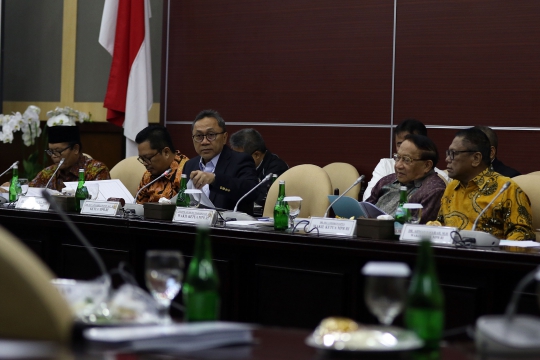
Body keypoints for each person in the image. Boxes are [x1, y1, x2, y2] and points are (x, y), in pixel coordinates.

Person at [437, 128, 534, 240]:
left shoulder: (506, 189)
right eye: (448, 153)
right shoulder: (452, 187)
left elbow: (522, 234)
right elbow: (441, 223)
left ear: (476, 158)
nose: (447, 159)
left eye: (453, 154)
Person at [182, 110, 259, 215]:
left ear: (224, 137)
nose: (204, 142)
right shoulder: (190, 165)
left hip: (228, 228)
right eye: (199, 136)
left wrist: (215, 179)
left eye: (211, 135)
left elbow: (252, 192)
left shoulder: (240, 160)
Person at [366, 134, 446, 223]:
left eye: (406, 160)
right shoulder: (387, 180)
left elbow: (415, 229)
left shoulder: (434, 190)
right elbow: (364, 211)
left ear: (427, 165)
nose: (398, 165)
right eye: (398, 157)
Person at [363, 119, 449, 201]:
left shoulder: (435, 186)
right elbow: (367, 203)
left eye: (407, 160)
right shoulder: (387, 177)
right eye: (400, 144)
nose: (398, 166)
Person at [29, 120, 110, 191]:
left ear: (75, 149)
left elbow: (100, 203)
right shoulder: (47, 173)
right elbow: (28, 195)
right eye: (51, 151)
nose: (53, 156)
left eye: (58, 151)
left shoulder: (96, 171)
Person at [229, 128, 289, 207]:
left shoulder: (277, 169)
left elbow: (262, 198)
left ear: (256, 155)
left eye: (240, 157)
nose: (235, 161)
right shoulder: (236, 166)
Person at [135, 125, 189, 203]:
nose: (145, 163)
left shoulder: (186, 171)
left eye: (148, 158)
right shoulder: (148, 176)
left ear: (166, 152)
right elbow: (138, 208)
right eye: (142, 159)